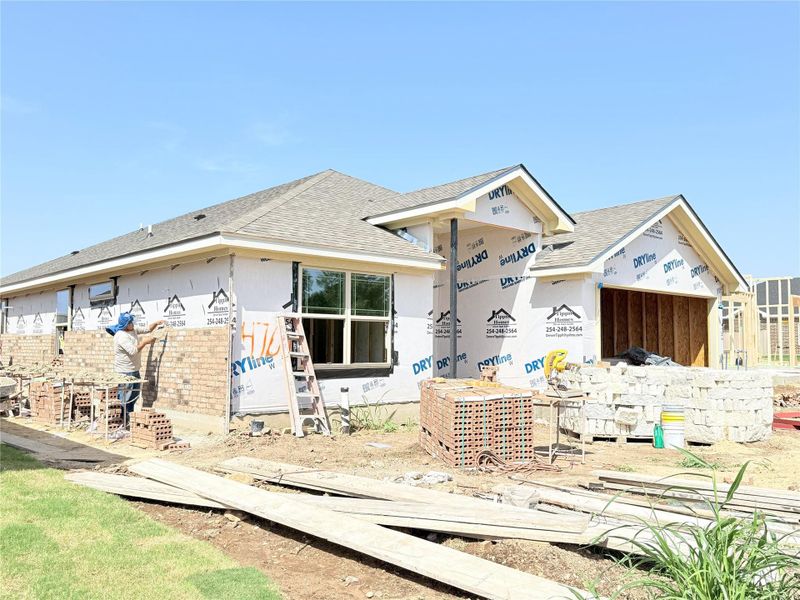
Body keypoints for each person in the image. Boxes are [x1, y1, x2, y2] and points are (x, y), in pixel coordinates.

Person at [106, 312, 166, 426]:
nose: (132, 324)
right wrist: (144, 342)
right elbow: (133, 351)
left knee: (134, 394)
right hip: (125, 371)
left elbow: (147, 329)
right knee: (125, 396)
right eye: (130, 322)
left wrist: (156, 323)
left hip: (134, 369)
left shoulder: (132, 329)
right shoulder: (121, 336)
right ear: (125, 325)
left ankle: (129, 416)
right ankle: (124, 419)